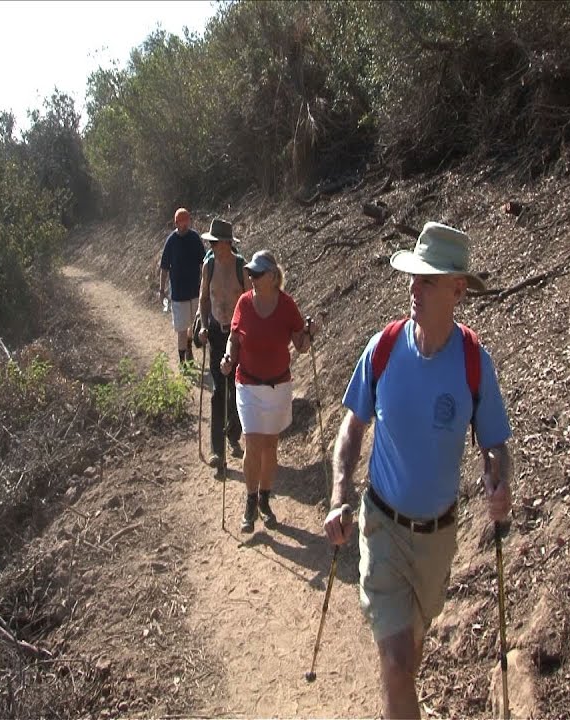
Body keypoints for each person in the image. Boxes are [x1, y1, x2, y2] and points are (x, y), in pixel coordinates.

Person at [322, 222, 514, 719]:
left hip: (437, 539)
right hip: (382, 525)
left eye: (427, 280)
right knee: (398, 661)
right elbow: (350, 431)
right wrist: (340, 493)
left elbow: (495, 445)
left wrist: (498, 480)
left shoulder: (473, 363)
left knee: (409, 656)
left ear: (456, 289)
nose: (414, 288)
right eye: (413, 278)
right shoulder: (383, 349)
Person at [219, 250, 319, 532]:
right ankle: (250, 503)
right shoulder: (244, 303)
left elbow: (301, 345)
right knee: (253, 443)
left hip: (278, 384)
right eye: (250, 272)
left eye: (257, 273)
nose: (251, 277)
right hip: (248, 383)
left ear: (273, 277)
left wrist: (311, 332)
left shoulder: (287, 305)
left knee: (271, 446)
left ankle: (264, 499)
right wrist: (228, 358)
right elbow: (234, 338)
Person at [197, 218, 251, 468]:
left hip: (239, 335)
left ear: (228, 243)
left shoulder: (242, 267)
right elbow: (204, 299)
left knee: (238, 387)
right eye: (211, 242)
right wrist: (204, 326)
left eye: (216, 242)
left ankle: (233, 433)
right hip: (218, 334)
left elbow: (250, 303)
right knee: (219, 390)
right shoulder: (208, 265)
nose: (212, 246)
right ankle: (216, 450)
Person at [158, 207, 206, 364]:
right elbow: (164, 267)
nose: (185, 225)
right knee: (181, 328)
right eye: (182, 222)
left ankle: (189, 349)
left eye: (187, 221)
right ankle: (182, 362)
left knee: (192, 324)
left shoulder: (194, 238)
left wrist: (206, 285)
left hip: (194, 290)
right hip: (178, 293)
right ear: (176, 223)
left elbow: (204, 263)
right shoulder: (171, 241)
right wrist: (161, 289)